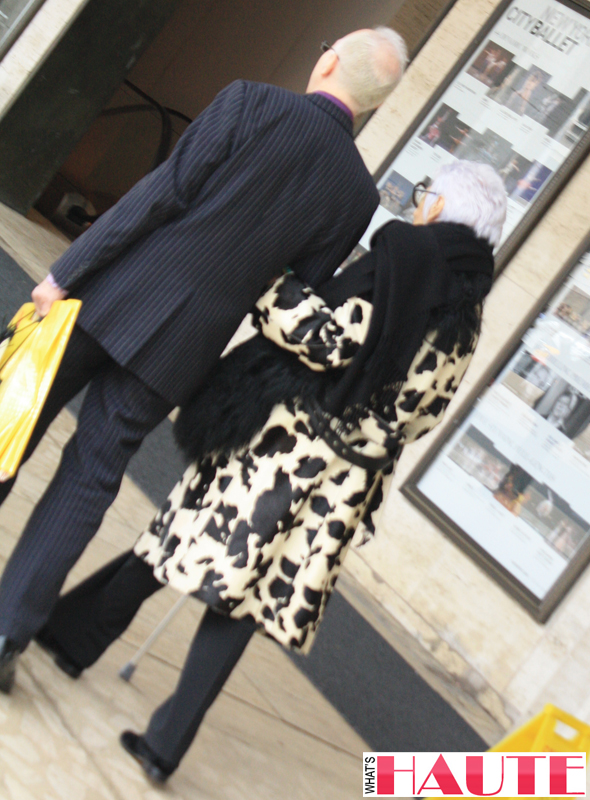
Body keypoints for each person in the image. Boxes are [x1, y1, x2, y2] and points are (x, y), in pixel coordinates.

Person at [37, 160, 507, 782]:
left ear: (442, 208)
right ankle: (162, 742)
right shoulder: (469, 311)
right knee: (253, 597)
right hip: (347, 482)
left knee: (181, 537)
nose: (420, 205)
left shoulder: (409, 262)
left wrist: (276, 287)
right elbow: (426, 412)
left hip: (290, 449)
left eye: (428, 195)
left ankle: (70, 640)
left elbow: (335, 340)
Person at [0, 27, 408, 693]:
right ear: (375, 103)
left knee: (15, 411)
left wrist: (66, 271)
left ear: (328, 58)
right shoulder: (356, 197)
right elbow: (288, 297)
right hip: (186, 344)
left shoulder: (249, 101)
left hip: (114, 294)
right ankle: (7, 631)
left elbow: (162, 193)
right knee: (91, 476)